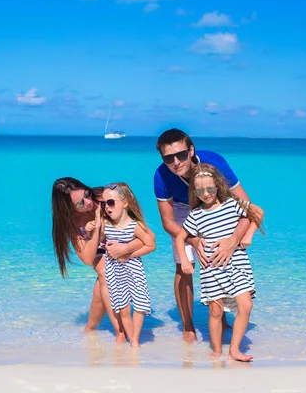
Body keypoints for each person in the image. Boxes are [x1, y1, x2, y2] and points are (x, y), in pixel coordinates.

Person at [153, 128, 253, 342]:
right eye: (168, 158)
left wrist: (234, 240)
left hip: (213, 202)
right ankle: (188, 326)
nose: (176, 162)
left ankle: (222, 318)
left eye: (180, 155)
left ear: (191, 151)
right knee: (183, 264)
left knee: (221, 257)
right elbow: (168, 222)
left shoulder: (214, 162)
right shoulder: (161, 175)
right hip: (182, 207)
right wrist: (193, 240)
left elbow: (247, 206)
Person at [175, 163, 264, 361]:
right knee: (215, 310)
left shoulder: (232, 205)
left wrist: (248, 235)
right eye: (199, 190)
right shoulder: (196, 215)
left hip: (237, 264)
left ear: (218, 186)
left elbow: (257, 212)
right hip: (211, 269)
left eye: (210, 189)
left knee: (246, 305)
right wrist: (185, 261)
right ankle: (217, 350)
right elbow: (180, 238)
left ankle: (234, 349)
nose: (205, 194)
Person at [51, 177, 149, 343]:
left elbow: (143, 234)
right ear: (68, 208)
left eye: (87, 194)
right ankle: (120, 332)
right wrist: (97, 227)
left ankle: (90, 329)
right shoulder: (71, 222)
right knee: (104, 272)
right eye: (80, 203)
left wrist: (125, 249)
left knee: (99, 293)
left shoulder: (105, 197)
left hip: (121, 242)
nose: (88, 202)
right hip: (95, 248)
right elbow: (88, 259)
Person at [87, 182, 156, 348]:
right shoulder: (106, 225)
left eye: (111, 202)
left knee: (139, 306)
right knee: (123, 308)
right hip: (114, 272)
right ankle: (131, 340)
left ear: (125, 203)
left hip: (134, 270)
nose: (107, 207)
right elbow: (96, 239)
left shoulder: (135, 226)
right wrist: (91, 227)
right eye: (104, 204)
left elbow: (151, 245)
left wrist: (128, 254)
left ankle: (135, 340)